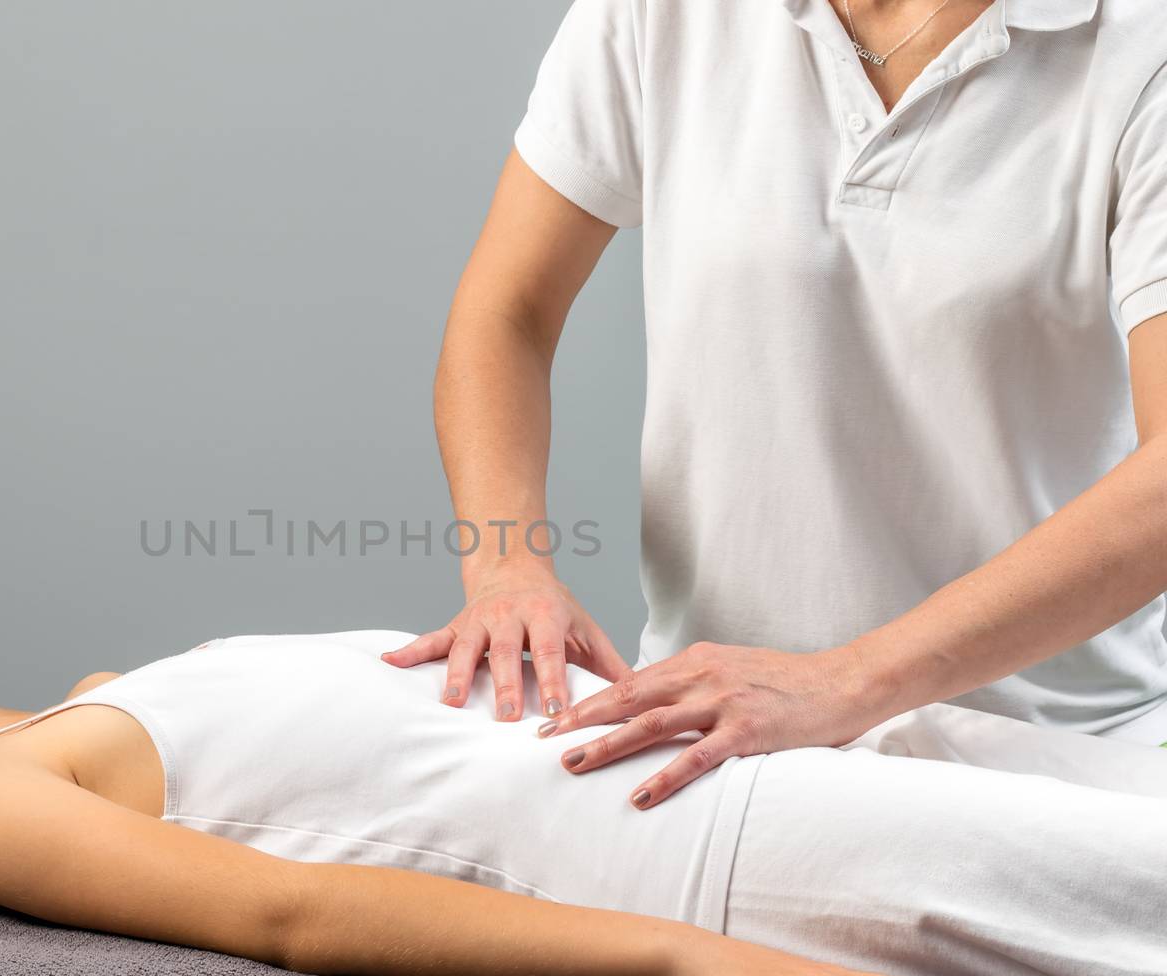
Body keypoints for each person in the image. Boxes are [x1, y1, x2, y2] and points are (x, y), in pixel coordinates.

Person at [0, 551, 1167, 976]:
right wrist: (687, 959)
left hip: (758, 731)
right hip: (722, 836)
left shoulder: (95, 695)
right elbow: (292, 911)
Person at [382, 0, 1167, 809]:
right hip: (717, 751)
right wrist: (505, 563)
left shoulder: (1141, 49)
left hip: (1046, 760)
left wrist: (844, 681)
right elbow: (507, 311)